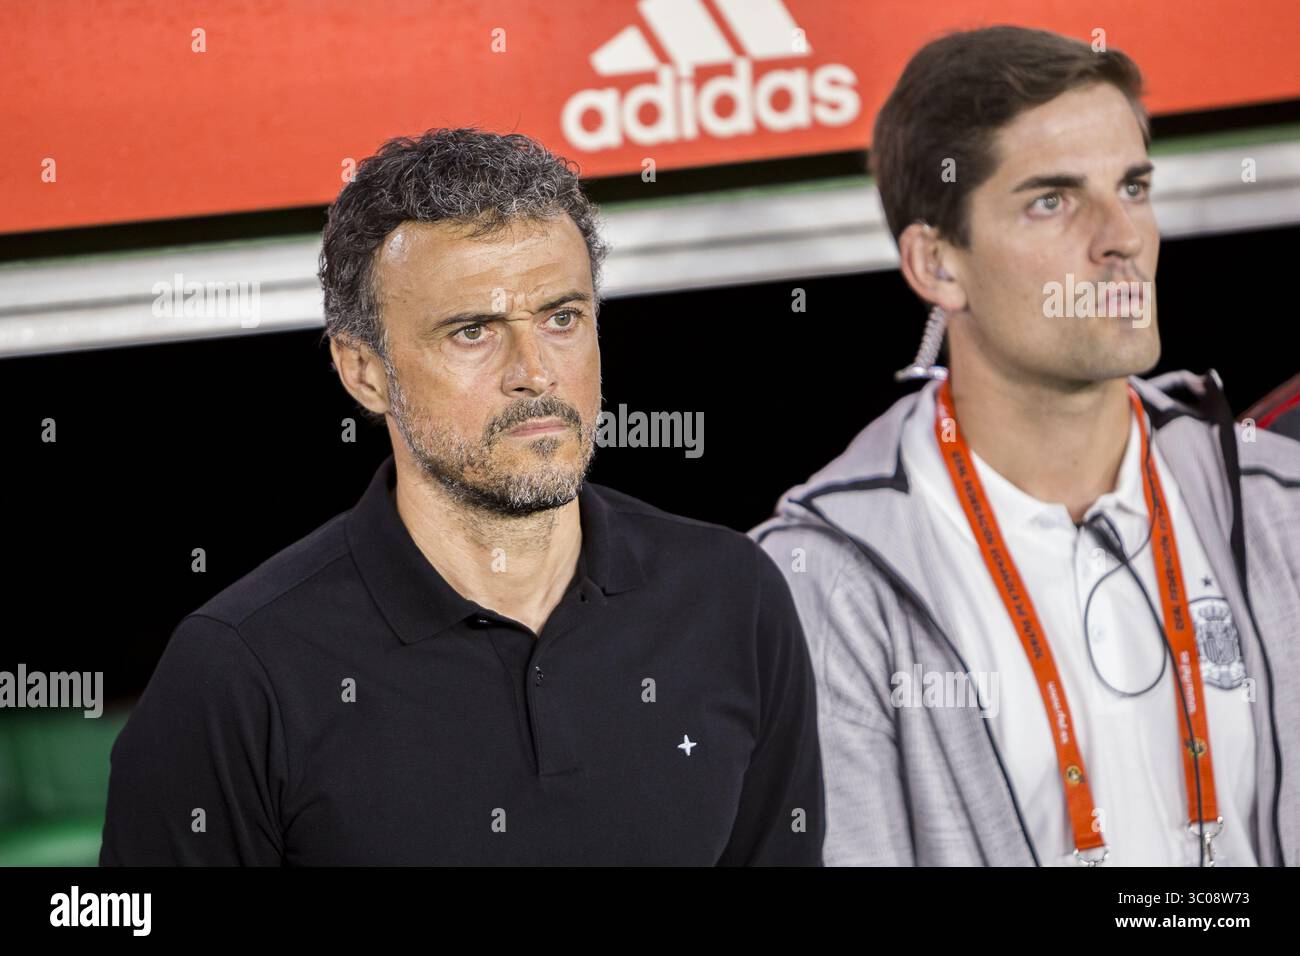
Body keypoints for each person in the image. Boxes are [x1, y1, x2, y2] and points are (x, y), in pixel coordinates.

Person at [101, 128, 823, 865]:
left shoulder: (732, 597)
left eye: (562, 318)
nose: (535, 373)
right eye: (474, 331)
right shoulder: (237, 673)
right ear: (364, 373)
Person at [751, 26, 1300, 866]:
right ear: (937, 264)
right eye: (1053, 200)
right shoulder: (823, 583)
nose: (1122, 237)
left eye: (1134, 186)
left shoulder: (1278, 503)